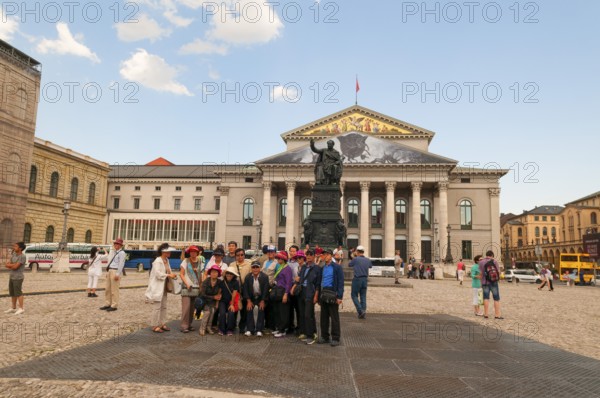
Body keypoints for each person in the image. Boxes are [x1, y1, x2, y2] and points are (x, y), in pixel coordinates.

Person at [145, 243, 178, 333]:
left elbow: (169, 271)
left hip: (164, 286)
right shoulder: (157, 261)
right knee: (157, 307)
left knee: (164, 306)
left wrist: (172, 275)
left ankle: (162, 323)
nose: (170, 253)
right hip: (157, 286)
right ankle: (154, 325)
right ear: (164, 251)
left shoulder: (167, 260)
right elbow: (158, 274)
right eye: (168, 251)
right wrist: (169, 275)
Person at [317, 249, 344, 346]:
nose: (323, 256)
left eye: (325, 255)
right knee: (323, 317)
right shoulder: (322, 268)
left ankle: (336, 337)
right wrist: (319, 295)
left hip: (333, 293)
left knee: (334, 317)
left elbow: (340, 282)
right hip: (324, 293)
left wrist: (340, 296)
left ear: (330, 256)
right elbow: (321, 282)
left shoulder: (337, 267)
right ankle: (325, 336)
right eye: (323, 255)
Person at [297, 249, 321, 344]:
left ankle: (311, 334)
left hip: (310, 292)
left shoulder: (317, 268)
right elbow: (300, 278)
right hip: (302, 291)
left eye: (310, 255)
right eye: (307, 255)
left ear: (314, 256)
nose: (308, 257)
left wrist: (316, 295)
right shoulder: (303, 267)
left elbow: (318, 284)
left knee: (308, 314)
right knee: (302, 313)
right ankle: (305, 332)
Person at [243, 261, 269, 337]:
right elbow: (245, 289)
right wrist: (248, 300)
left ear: (260, 268)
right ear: (251, 268)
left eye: (257, 267)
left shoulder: (265, 277)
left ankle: (259, 329)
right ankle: (249, 329)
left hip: (261, 297)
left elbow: (266, 290)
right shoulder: (248, 277)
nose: (255, 269)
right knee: (249, 309)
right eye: (253, 267)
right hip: (251, 297)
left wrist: (263, 300)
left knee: (261, 309)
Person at [100, 238, 126, 312]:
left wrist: (118, 274)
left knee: (114, 290)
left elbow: (121, 264)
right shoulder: (114, 252)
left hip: (115, 270)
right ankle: (107, 303)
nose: (116, 245)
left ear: (121, 245)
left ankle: (114, 305)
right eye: (115, 244)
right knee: (107, 289)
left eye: (117, 244)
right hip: (110, 270)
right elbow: (110, 261)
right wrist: (108, 271)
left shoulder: (122, 253)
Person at [180, 246, 202, 333]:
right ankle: (184, 326)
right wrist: (187, 283)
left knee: (192, 308)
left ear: (197, 253)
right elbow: (181, 274)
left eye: (194, 252)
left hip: (196, 288)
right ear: (189, 253)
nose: (193, 253)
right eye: (191, 252)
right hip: (187, 288)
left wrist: (201, 285)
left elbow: (201, 274)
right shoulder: (185, 261)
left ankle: (189, 324)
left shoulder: (200, 262)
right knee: (186, 307)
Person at [273, 251, 293, 338]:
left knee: (283, 311)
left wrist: (286, 294)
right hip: (278, 290)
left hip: (283, 291)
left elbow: (288, 282)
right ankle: (279, 327)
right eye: (278, 258)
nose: (278, 259)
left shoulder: (287, 269)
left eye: (280, 258)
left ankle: (283, 329)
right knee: (278, 311)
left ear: (284, 259)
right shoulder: (280, 267)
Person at [230, 248, 251, 332]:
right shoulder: (232, 265)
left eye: (242, 255)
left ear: (244, 255)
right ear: (235, 256)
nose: (240, 257)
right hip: (235, 290)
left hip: (245, 290)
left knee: (244, 310)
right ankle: (233, 325)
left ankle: (242, 326)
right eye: (238, 255)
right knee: (235, 308)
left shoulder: (249, 264)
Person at [349, 245, 372, 319]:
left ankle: (360, 310)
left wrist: (353, 256)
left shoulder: (356, 259)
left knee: (354, 295)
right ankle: (363, 311)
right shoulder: (367, 259)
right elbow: (370, 266)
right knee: (363, 296)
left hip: (357, 279)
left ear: (357, 252)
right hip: (365, 279)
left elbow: (350, 264)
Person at [478, 251, 502, 319]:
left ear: (486, 255)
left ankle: (486, 314)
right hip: (494, 282)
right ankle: (497, 315)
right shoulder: (494, 261)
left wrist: (481, 282)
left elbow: (480, 274)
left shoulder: (481, 262)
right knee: (496, 299)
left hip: (485, 282)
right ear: (492, 255)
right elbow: (498, 272)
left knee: (486, 298)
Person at [199, 265, 222, 336]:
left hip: (214, 302)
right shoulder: (206, 281)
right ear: (210, 273)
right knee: (207, 312)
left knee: (212, 312)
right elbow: (202, 294)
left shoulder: (220, 282)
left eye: (215, 272)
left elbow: (220, 293)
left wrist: (217, 302)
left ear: (218, 274)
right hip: (205, 301)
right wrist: (213, 297)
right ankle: (202, 328)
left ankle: (208, 327)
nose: (214, 274)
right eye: (212, 272)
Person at [4, 242, 27, 315]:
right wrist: (12, 265)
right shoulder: (14, 254)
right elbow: (7, 264)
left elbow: (15, 267)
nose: (14, 247)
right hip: (12, 276)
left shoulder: (22, 257)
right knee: (12, 293)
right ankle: (13, 308)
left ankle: (21, 308)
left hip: (18, 277)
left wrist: (11, 265)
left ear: (20, 248)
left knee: (18, 293)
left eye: (15, 246)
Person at [218, 269, 240, 336]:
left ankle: (230, 329)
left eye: (231, 274)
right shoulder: (222, 282)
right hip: (223, 301)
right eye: (228, 273)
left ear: (233, 275)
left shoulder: (236, 282)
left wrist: (232, 304)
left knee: (231, 313)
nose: (229, 275)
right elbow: (219, 292)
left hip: (231, 301)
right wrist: (217, 303)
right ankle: (222, 329)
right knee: (222, 313)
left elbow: (234, 294)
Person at [287, 245, 300, 334]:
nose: (292, 253)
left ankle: (299, 327)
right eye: (290, 251)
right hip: (288, 286)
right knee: (289, 308)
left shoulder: (299, 263)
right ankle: (290, 326)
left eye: (294, 251)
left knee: (298, 308)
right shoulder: (286, 262)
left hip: (297, 286)